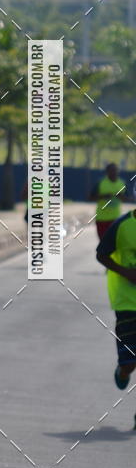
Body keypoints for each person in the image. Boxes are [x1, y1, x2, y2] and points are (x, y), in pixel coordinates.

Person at [96, 208, 136, 409]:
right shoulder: (122, 225)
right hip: (127, 303)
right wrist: (126, 272)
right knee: (130, 364)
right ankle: (123, 370)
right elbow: (101, 254)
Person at [90, 163, 127, 240]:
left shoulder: (122, 183)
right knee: (103, 243)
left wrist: (121, 196)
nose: (114, 172)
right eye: (111, 170)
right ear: (107, 172)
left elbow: (129, 198)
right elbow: (90, 197)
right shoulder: (100, 182)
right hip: (102, 219)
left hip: (116, 219)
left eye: (115, 170)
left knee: (114, 243)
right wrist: (103, 196)